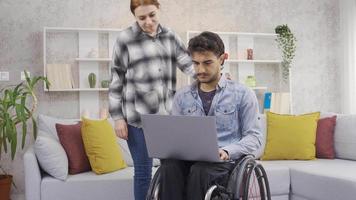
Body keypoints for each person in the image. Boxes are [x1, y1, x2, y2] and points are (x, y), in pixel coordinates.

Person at [159, 31, 263, 200]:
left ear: (222, 59)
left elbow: (254, 138)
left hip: (225, 164)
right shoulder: (181, 96)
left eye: (207, 63)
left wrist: (227, 151)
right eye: (196, 63)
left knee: (201, 170)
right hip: (190, 161)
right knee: (168, 166)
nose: (200, 70)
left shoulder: (243, 94)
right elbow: (176, 137)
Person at [108, 0, 194, 199]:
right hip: (138, 120)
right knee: (143, 174)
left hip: (167, 118)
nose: (148, 21)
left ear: (159, 10)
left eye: (152, 15)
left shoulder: (171, 36)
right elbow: (116, 79)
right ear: (135, 17)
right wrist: (118, 118)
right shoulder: (125, 39)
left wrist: (216, 75)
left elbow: (188, 64)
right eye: (142, 18)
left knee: (172, 172)